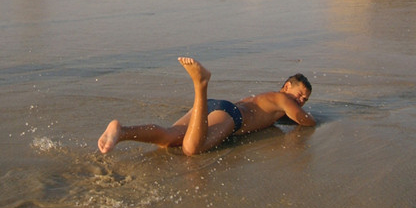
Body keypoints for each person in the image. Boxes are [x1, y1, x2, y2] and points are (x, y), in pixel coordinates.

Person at [98, 57, 315, 156]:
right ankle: (200, 85)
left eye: (305, 100)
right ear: (287, 86)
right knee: (193, 149)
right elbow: (305, 121)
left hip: (215, 107)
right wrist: (314, 119)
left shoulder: (267, 99)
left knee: (168, 138)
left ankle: (122, 130)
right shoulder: (284, 99)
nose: (301, 102)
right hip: (232, 115)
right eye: (300, 95)